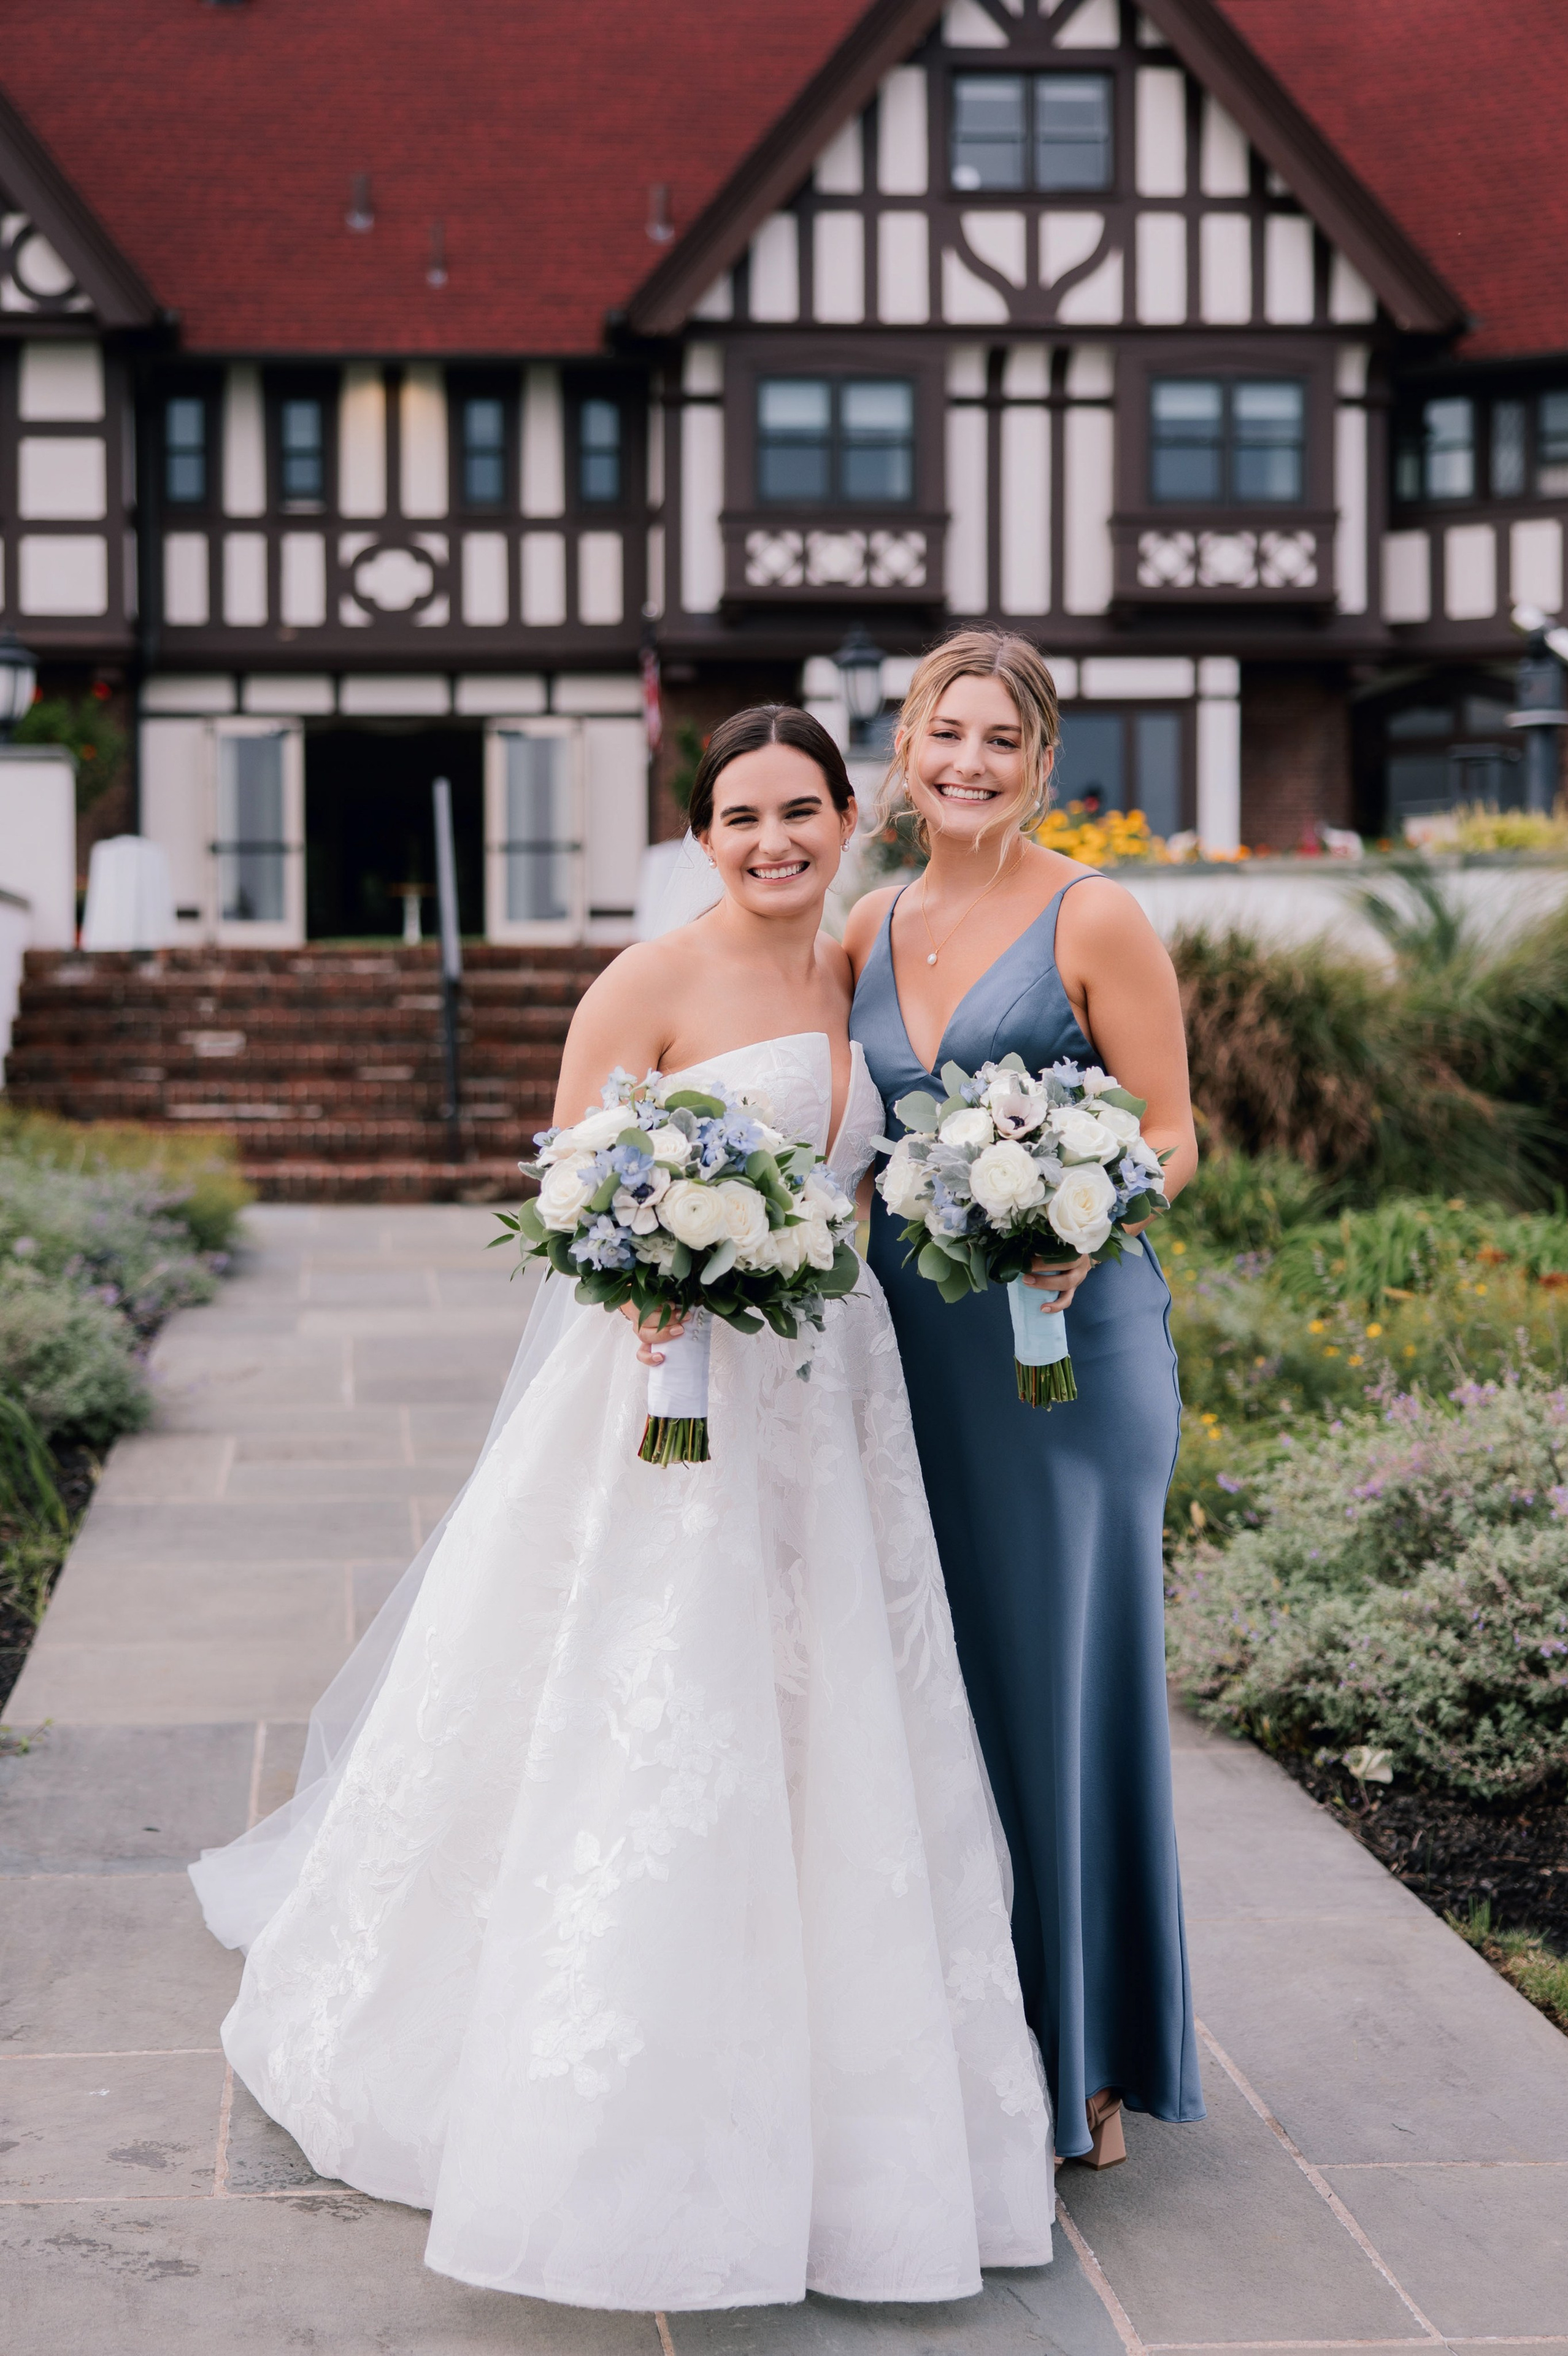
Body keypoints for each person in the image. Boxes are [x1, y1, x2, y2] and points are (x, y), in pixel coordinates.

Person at [190, 705, 1054, 2312]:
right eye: (741, 818)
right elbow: (568, 1181)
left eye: (800, 810)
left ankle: (848, 2082)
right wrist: (644, 1286)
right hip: (670, 1391)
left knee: (838, 1703)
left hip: (831, 1381)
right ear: (700, 835)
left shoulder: (856, 964)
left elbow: (876, 1157)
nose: (774, 841)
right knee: (654, 1695)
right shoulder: (647, 980)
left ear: (843, 812)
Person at [845, 631, 1205, 2169]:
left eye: (1000, 740)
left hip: (1071, 1353)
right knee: (943, 1693)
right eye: (945, 733)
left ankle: (1093, 2055)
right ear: (906, 748)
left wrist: (1091, 1218)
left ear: (1040, 760)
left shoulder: (1092, 913)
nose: (969, 763)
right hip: (914, 1359)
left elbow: (1176, 1132)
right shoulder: (861, 922)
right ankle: (963, 2037)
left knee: (1065, 1689)